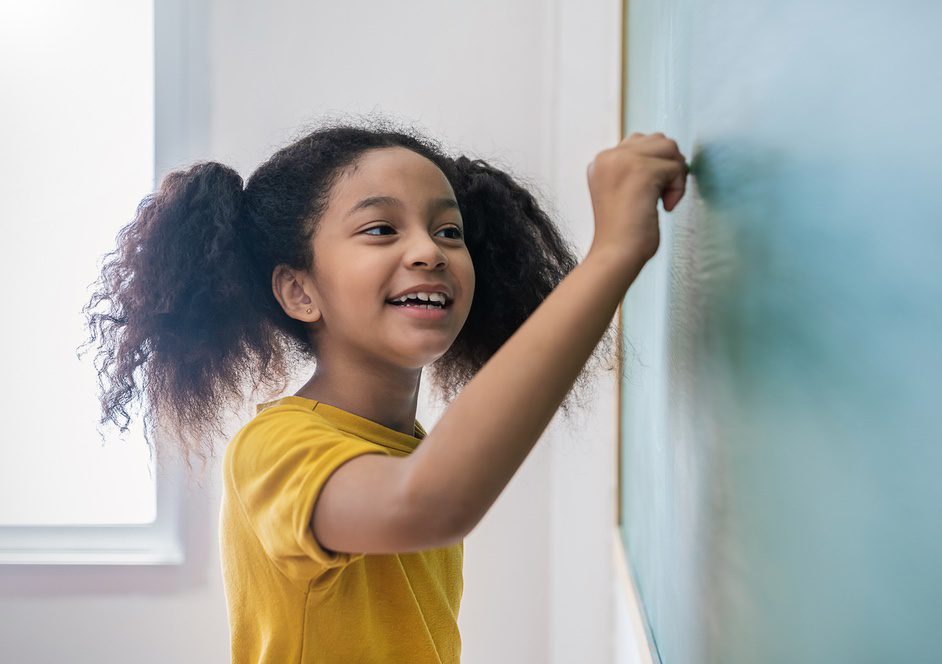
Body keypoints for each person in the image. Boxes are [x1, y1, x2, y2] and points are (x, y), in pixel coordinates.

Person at [78, 116, 688, 663]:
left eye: (450, 231)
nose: (429, 250)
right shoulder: (275, 448)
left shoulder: (409, 448)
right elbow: (425, 504)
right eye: (379, 229)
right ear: (299, 291)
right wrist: (612, 254)